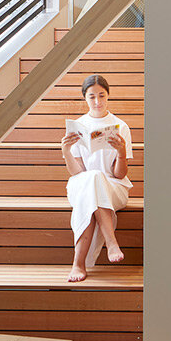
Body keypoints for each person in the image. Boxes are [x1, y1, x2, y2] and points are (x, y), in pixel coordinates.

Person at [60, 74, 133, 282]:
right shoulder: (78, 126)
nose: (97, 101)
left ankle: (78, 263)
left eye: (101, 95)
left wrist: (121, 153)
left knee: (95, 181)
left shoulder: (120, 126)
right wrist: (66, 152)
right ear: (85, 98)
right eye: (92, 97)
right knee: (92, 180)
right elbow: (77, 172)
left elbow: (120, 174)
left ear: (108, 95)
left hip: (114, 186)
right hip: (83, 184)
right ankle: (111, 242)